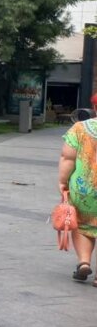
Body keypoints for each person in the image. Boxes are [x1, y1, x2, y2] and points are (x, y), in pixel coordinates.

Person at [58, 116, 97, 282]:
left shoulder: (80, 128)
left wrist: (62, 181)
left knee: (82, 226)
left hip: (84, 190)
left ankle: (84, 262)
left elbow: (68, 157)